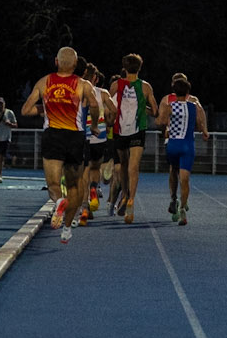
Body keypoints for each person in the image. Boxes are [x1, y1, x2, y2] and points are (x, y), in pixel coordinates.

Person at [22, 47, 100, 242]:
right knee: (75, 184)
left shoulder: (44, 82)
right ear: (75, 65)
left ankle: (58, 201)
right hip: (75, 137)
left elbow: (25, 110)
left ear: (56, 62)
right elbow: (94, 105)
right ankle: (67, 227)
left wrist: (46, 108)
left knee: (54, 184)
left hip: (53, 135)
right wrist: (96, 125)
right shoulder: (83, 84)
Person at [111, 55, 159, 225]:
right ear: (140, 67)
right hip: (138, 130)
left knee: (124, 165)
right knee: (133, 166)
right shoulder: (145, 87)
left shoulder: (116, 85)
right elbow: (154, 111)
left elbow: (108, 107)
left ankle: (125, 195)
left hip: (120, 130)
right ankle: (130, 199)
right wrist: (141, 107)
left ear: (124, 67)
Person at [163, 73, 209, 226]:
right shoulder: (168, 100)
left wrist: (204, 129)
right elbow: (163, 118)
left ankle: (180, 200)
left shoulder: (193, 101)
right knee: (174, 172)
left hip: (183, 141)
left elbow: (201, 115)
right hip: (173, 140)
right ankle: (175, 198)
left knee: (180, 174)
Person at [82, 64, 112, 218]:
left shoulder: (78, 90)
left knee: (84, 172)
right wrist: (109, 122)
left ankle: (86, 206)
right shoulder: (103, 93)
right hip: (99, 137)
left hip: (83, 136)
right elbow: (113, 110)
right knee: (95, 168)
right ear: (95, 78)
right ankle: (94, 188)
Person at [0, 97, 18, 183]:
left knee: (1, 155)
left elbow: (15, 125)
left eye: (1, 103)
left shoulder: (9, 112)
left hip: (5, 137)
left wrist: (9, 124)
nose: (0, 105)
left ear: (4, 104)